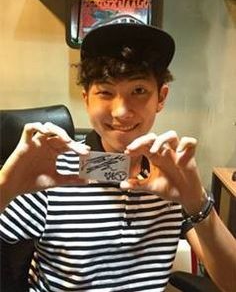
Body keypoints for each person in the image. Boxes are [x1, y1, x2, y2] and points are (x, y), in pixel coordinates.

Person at [0, 23, 235, 292]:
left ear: (161, 97)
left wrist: (197, 202)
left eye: (138, 91)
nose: (122, 111)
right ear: (87, 98)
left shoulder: (173, 177)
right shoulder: (51, 173)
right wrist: (6, 186)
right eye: (106, 92)